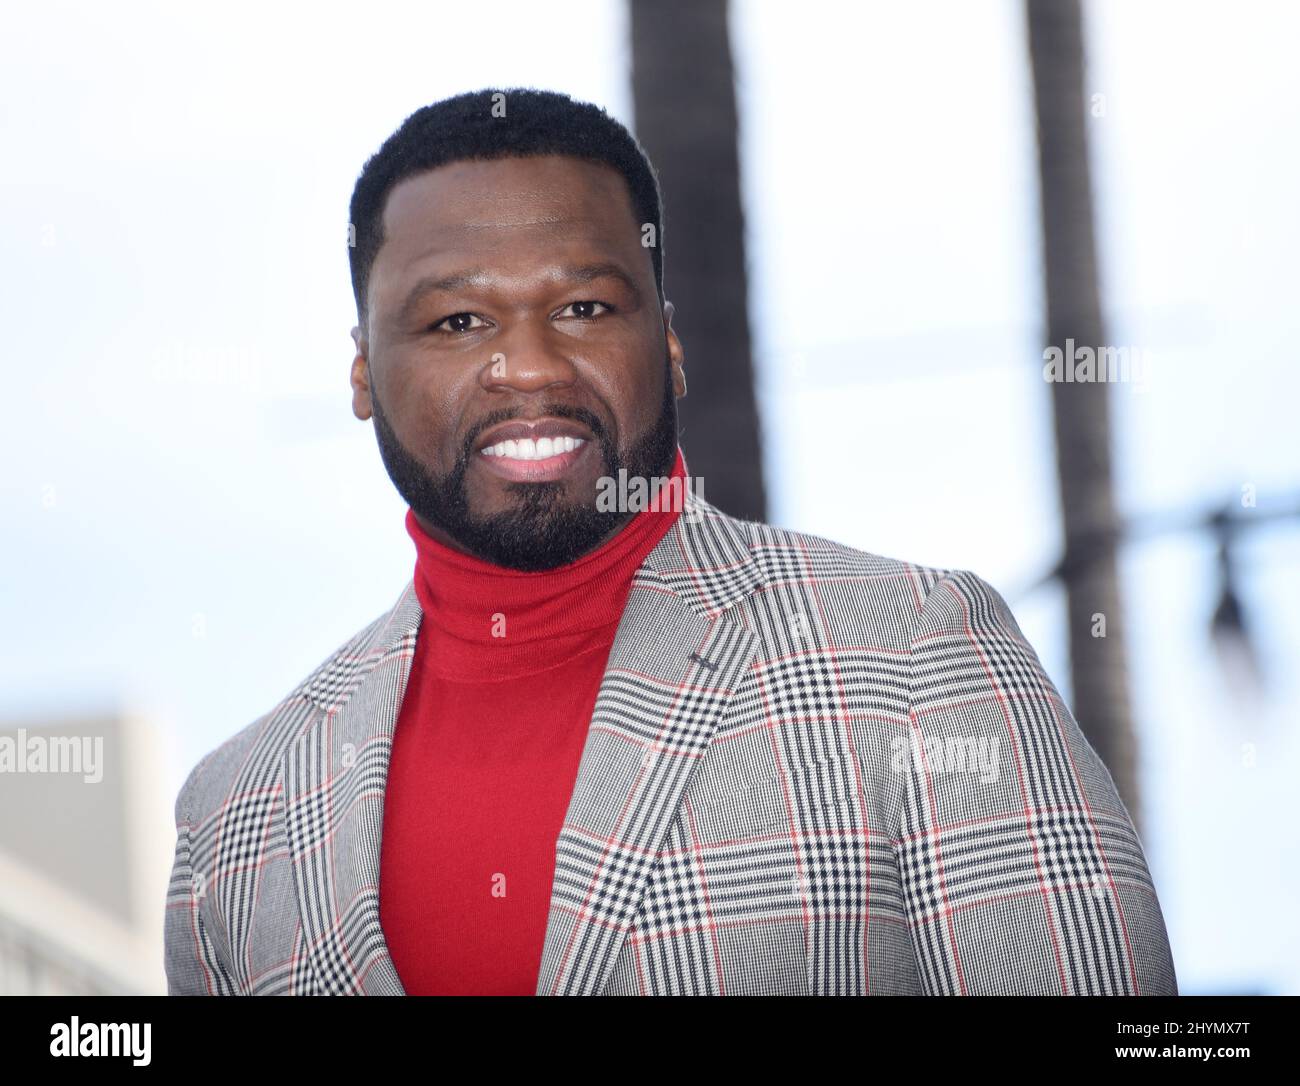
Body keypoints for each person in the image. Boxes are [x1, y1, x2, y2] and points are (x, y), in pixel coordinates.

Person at [164, 88, 1177, 996]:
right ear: (360, 374)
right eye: (458, 320)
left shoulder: (910, 655)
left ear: (669, 343)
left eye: (584, 307)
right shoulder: (238, 811)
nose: (525, 365)